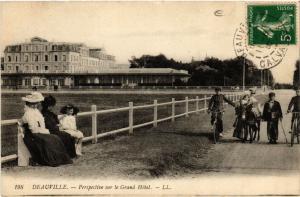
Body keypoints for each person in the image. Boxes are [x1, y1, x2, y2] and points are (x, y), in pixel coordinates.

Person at [21, 92, 72, 166]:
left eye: (36, 103)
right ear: (28, 104)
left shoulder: (36, 111)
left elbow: (41, 124)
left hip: (39, 131)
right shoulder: (28, 113)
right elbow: (33, 128)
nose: (35, 105)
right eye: (32, 104)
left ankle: (59, 159)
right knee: (48, 139)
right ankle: (51, 160)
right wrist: (44, 131)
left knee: (55, 138)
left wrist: (44, 130)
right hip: (32, 134)